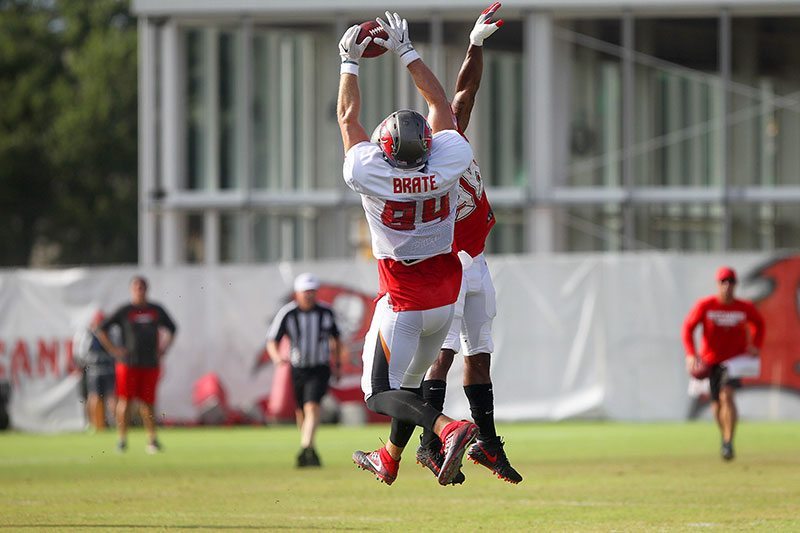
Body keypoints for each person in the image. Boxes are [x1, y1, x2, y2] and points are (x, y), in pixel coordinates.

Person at [338, 11, 478, 486]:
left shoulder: (370, 172)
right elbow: (440, 106)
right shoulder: (448, 160)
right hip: (446, 296)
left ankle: (448, 428)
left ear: (386, 149)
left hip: (404, 300)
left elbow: (348, 118)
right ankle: (390, 457)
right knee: (411, 385)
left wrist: (349, 62)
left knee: (379, 393)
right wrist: (407, 51)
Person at [415, 2, 522, 485]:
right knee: (443, 354)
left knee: (479, 353)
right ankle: (429, 444)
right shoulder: (419, 176)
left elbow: (464, 91)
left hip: (475, 259)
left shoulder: (449, 137)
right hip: (448, 265)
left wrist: (474, 44)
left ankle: (487, 443)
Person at [682, 266, 766, 461]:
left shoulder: (744, 307)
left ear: (736, 284)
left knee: (727, 395)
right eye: (723, 281)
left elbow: (759, 324)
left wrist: (756, 345)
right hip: (710, 361)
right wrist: (691, 354)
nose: (727, 285)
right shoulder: (706, 305)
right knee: (716, 405)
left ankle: (729, 441)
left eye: (731, 281)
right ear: (718, 284)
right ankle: (724, 435)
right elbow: (687, 328)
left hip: (734, 360)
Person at [266, 272, 344, 468]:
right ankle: (310, 448)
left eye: (312, 291)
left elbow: (336, 339)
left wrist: (337, 364)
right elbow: (272, 340)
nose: (309, 295)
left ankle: (305, 447)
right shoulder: (288, 313)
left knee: (312, 406)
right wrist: (277, 358)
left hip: (320, 367)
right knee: (301, 412)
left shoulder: (326, 312)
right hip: (298, 368)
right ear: (297, 293)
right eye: (305, 291)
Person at [96, 275, 177, 454]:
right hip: (128, 364)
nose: (139, 291)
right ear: (131, 290)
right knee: (125, 401)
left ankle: (152, 439)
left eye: (142, 287)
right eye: (136, 287)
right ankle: (122, 439)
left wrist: (164, 349)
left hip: (150, 364)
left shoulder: (155, 310)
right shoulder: (125, 310)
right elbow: (102, 329)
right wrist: (114, 350)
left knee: (148, 403)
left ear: (147, 290)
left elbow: (172, 328)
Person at [74, 310, 117, 431]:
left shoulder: (111, 333)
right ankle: (97, 424)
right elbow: (81, 353)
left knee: (110, 397)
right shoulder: (88, 334)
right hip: (94, 370)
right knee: (95, 397)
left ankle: (112, 423)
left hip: (107, 369)